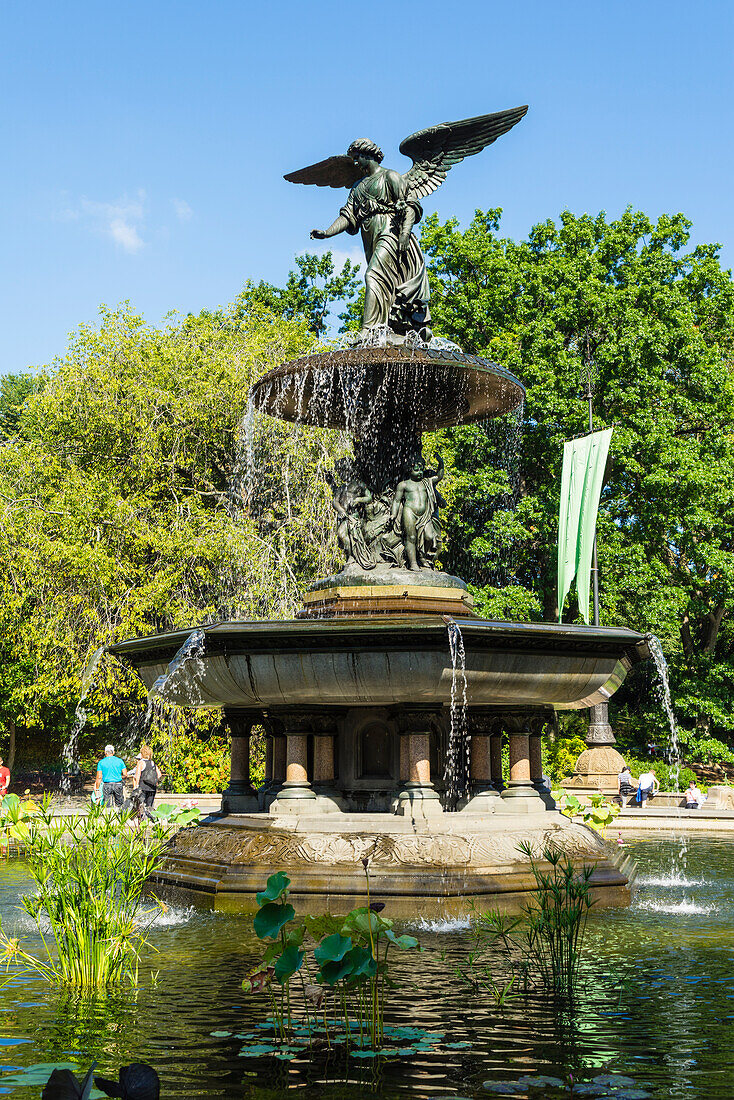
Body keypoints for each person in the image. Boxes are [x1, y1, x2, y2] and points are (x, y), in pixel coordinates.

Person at [94, 744, 127, 809]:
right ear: (113, 752)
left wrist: (97, 788)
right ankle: (120, 817)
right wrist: (120, 778)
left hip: (107, 785)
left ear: (105, 752)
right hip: (118, 784)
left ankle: (108, 817)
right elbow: (125, 774)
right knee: (120, 804)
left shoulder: (101, 762)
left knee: (107, 804)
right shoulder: (120, 761)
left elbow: (99, 777)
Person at [131, 744, 161, 810]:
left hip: (143, 787)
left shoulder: (140, 763)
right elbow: (159, 774)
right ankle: (150, 819)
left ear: (142, 754)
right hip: (152, 788)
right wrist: (153, 780)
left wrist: (136, 786)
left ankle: (143, 819)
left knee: (141, 806)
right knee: (149, 806)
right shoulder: (152, 762)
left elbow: (137, 775)